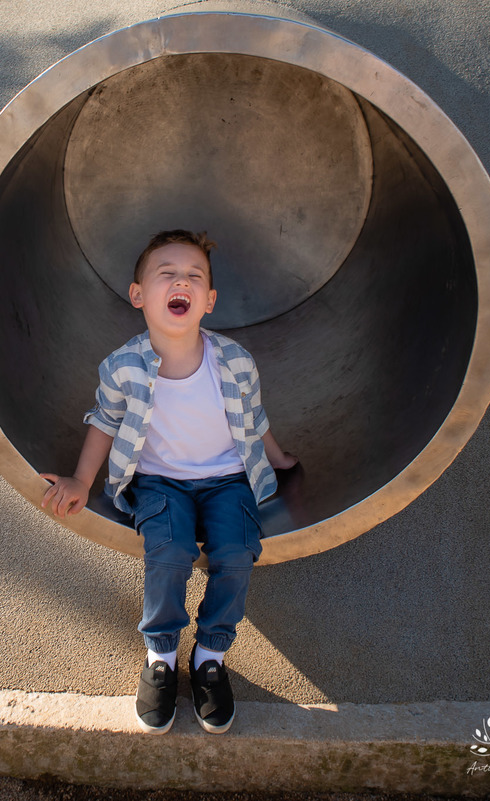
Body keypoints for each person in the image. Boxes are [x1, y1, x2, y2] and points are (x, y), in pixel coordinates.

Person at [40, 229, 298, 735]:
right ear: (139, 296)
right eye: (167, 274)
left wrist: (278, 458)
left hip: (228, 478)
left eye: (194, 276)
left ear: (208, 300)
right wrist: (80, 479)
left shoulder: (235, 360)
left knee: (238, 550)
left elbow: (254, 416)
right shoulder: (123, 367)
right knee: (170, 550)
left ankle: (209, 656)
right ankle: (161, 653)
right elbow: (104, 424)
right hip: (160, 482)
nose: (182, 281)